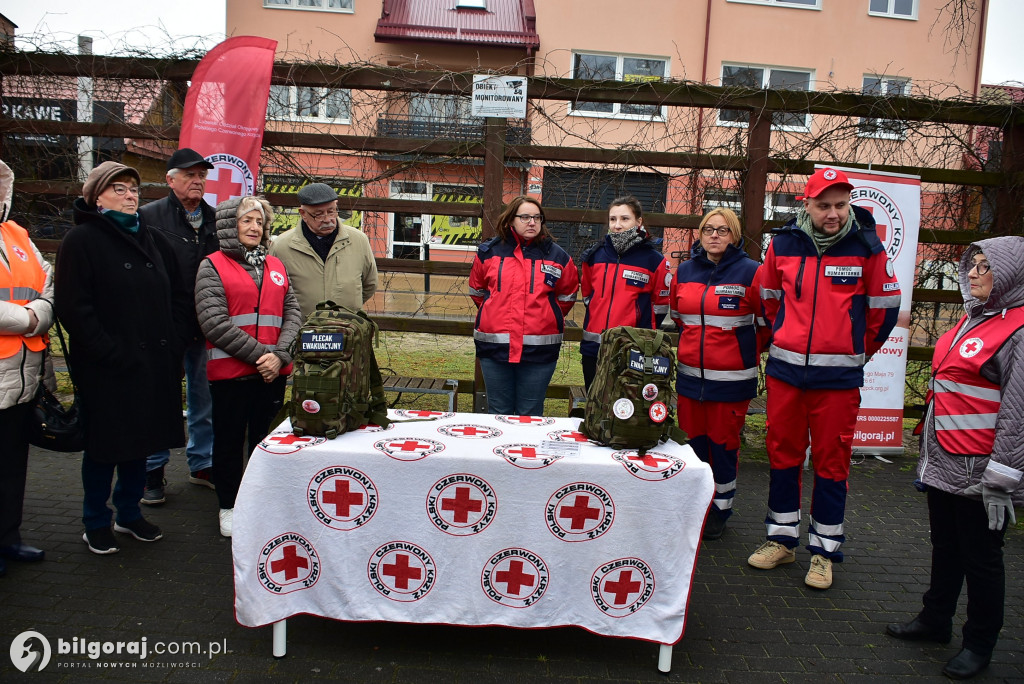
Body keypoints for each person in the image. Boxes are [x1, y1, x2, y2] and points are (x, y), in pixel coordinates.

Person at [749, 167, 901, 589]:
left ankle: (823, 553)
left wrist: (853, 351)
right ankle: (781, 541)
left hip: (837, 381)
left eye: (840, 205)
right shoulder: (782, 244)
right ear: (808, 206)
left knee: (831, 463)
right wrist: (786, 338)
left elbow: (883, 310)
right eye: (824, 206)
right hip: (786, 374)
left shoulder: (868, 247)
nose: (833, 214)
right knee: (783, 455)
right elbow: (768, 300)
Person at [886, 236, 1024, 680]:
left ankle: (979, 643)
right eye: (973, 265)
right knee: (945, 546)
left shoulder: (1017, 329)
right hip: (945, 461)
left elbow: (1017, 412)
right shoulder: (972, 320)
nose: (973, 273)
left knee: (982, 558)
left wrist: (1003, 477)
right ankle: (934, 620)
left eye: (986, 267)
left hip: (981, 470)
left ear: (1010, 275)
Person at [55, 161, 192, 555]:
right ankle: (95, 520)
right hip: (108, 369)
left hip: (154, 365)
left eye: (133, 189)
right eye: (119, 189)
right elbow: (73, 308)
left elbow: (180, 296)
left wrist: (177, 342)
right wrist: (108, 352)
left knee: (141, 443)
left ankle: (129, 513)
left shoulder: (153, 238)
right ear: (96, 196)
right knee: (104, 448)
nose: (130, 195)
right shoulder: (81, 241)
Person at [196, 196, 301, 537]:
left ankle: (263, 503)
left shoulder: (276, 266)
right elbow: (214, 322)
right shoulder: (211, 266)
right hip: (232, 375)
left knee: (265, 442)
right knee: (227, 442)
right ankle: (229, 506)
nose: (255, 227)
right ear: (229, 225)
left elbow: (293, 315)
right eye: (247, 221)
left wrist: (281, 356)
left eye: (260, 222)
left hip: (273, 375)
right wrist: (263, 357)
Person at [671, 207, 768, 540]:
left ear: (735, 235)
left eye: (723, 230)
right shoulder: (683, 271)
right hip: (689, 381)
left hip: (731, 383)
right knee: (693, 448)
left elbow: (766, 324)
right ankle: (693, 507)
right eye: (708, 229)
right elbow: (678, 317)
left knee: (723, 448)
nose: (714, 235)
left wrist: (735, 353)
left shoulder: (752, 272)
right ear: (700, 233)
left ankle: (720, 510)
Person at [138, 148, 217, 505]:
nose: (197, 180)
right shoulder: (148, 217)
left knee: (205, 397)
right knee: (159, 397)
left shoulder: (216, 219)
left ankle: (202, 463)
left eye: (202, 175)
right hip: (164, 323)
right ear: (171, 180)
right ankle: (152, 470)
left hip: (205, 324)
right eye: (189, 175)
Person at [468, 196, 579, 416]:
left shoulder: (558, 256)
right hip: (494, 348)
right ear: (511, 220)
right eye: (525, 217)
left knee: (530, 413)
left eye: (537, 218)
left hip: (540, 350)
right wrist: (497, 310)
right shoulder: (488, 252)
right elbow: (477, 292)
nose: (532, 222)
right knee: (499, 411)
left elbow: (567, 297)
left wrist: (546, 314)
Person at [0, 159, 54, 576]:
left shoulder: (17, 233)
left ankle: (9, 537)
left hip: (22, 378)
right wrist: (30, 319)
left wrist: (40, 312)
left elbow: (48, 281)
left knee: (13, 463)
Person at [579, 195, 671, 390]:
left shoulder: (654, 260)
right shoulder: (594, 255)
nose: (617, 225)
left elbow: (661, 305)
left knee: (627, 409)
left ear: (638, 222)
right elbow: (588, 296)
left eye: (624, 219)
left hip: (634, 348)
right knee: (594, 405)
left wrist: (640, 335)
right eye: (613, 219)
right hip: (593, 347)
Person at [269, 182, 377, 320]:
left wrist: (347, 308)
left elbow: (370, 283)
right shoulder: (281, 246)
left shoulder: (359, 240)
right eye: (318, 215)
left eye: (331, 211)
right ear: (303, 213)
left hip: (347, 332)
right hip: (301, 332)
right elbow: (274, 292)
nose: (327, 219)